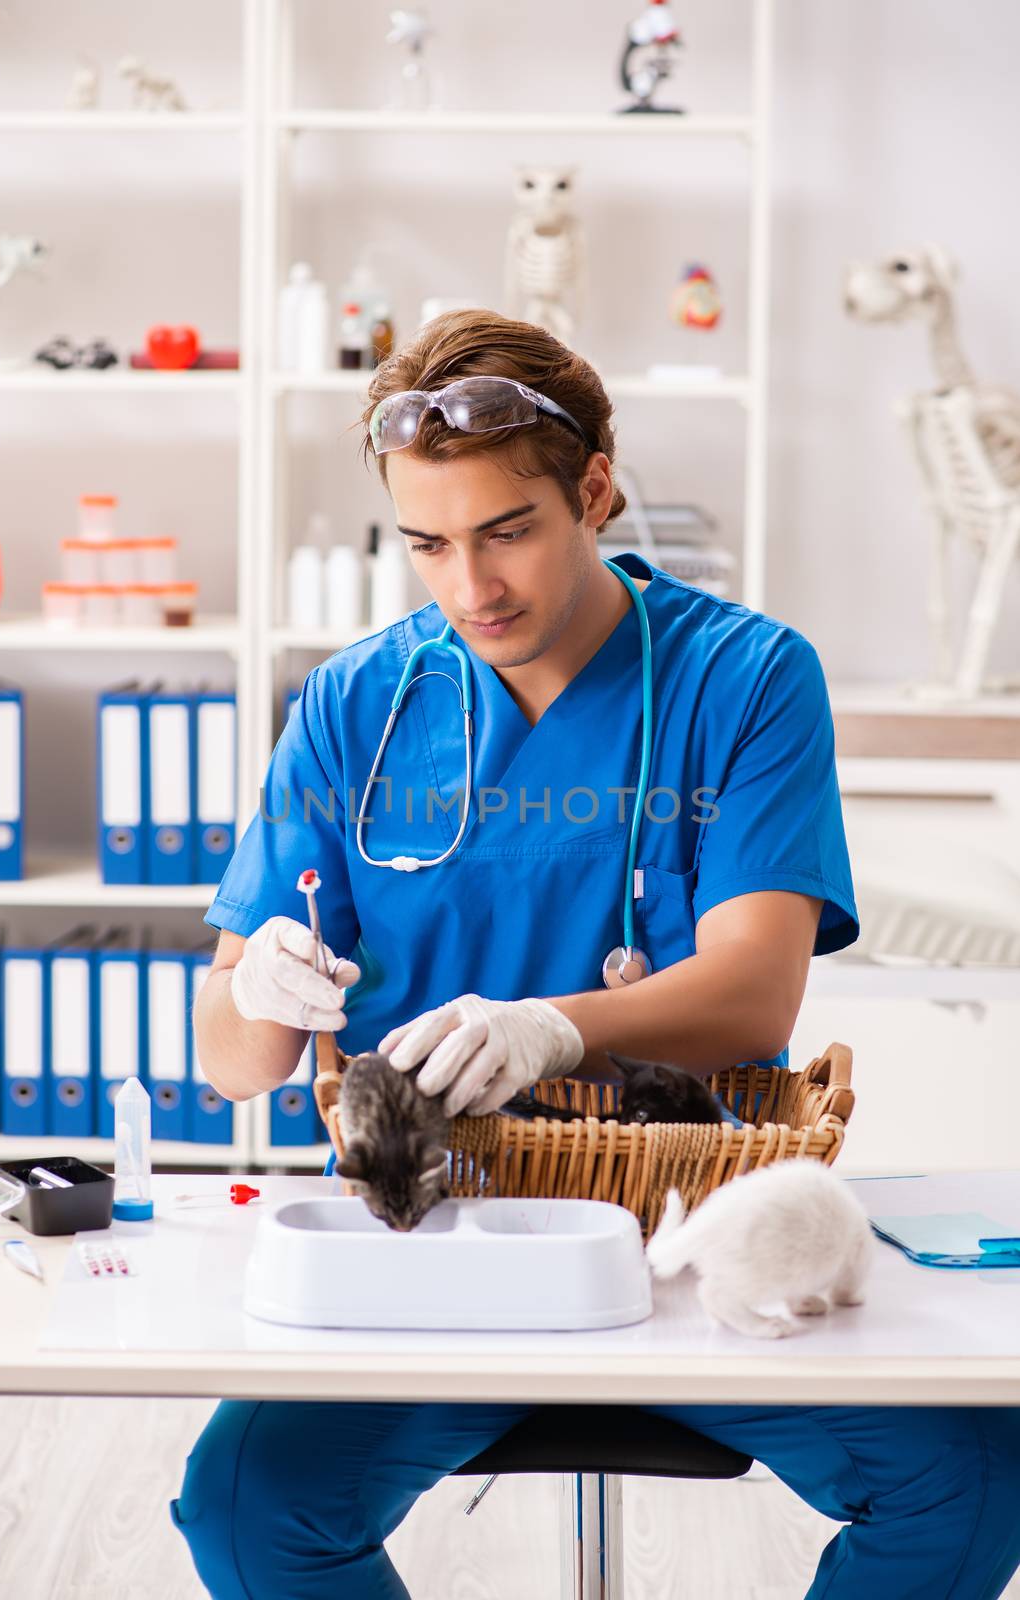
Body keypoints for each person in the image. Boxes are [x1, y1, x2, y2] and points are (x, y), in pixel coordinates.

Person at [169, 310, 1020, 1600]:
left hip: (698, 1233)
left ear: (596, 492)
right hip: (440, 1235)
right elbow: (232, 1063)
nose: (471, 588)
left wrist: (550, 1028)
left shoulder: (743, 680)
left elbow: (754, 991)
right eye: (427, 544)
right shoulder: (357, 704)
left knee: (970, 1491)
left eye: (508, 530)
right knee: (247, 1509)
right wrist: (259, 988)